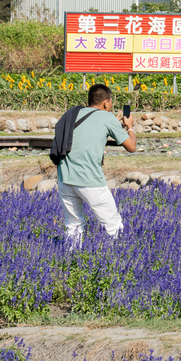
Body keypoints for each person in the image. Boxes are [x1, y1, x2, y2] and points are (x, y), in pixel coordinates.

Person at [56, 84, 136, 248]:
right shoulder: (107, 118)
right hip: (89, 179)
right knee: (113, 225)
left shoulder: (74, 113)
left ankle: (71, 261)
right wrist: (130, 127)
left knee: (73, 226)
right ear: (106, 103)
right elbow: (131, 147)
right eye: (110, 103)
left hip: (65, 177)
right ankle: (118, 260)